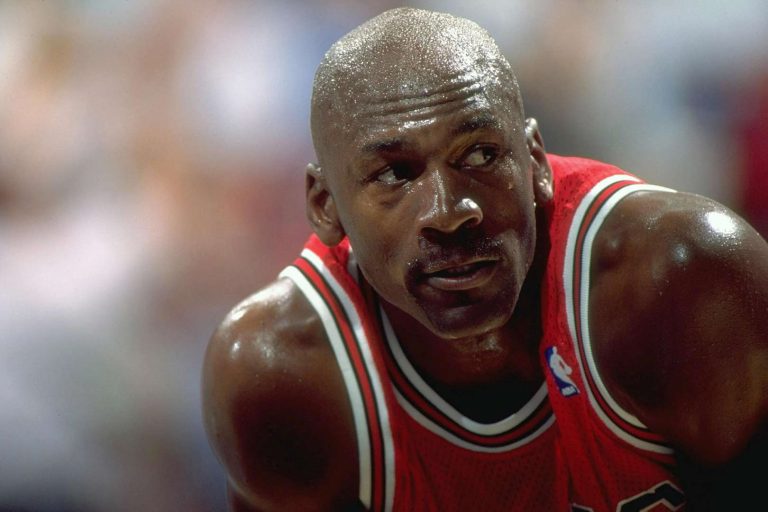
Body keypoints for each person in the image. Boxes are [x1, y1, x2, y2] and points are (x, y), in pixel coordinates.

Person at [201, 8, 768, 511]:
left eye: (479, 154)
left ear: (536, 163)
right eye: (395, 174)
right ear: (326, 209)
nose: (450, 212)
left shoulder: (682, 281)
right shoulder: (282, 377)